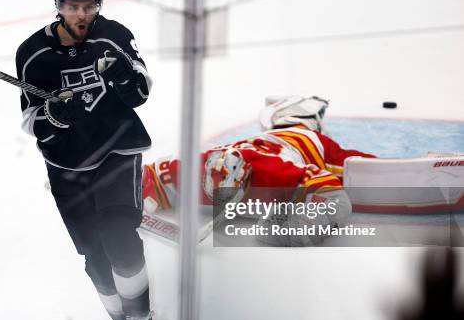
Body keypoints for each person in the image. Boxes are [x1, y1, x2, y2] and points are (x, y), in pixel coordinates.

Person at [15, 0, 155, 320]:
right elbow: (33, 123)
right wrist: (58, 115)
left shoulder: (113, 35)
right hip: (68, 165)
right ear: (58, 7)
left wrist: (123, 73)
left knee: (120, 240)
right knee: (96, 261)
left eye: (89, 6)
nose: (82, 15)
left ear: (99, 4)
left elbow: (140, 93)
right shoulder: (33, 53)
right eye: (74, 7)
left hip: (117, 149)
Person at [142, 96, 376, 246]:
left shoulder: (277, 169)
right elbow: (151, 173)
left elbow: (334, 195)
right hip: (257, 149)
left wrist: (296, 227)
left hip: (283, 149)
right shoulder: (197, 167)